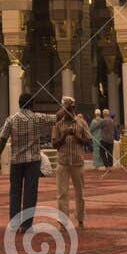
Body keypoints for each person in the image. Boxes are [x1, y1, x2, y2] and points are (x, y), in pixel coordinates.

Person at [0, 91, 53, 235]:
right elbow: (57, 118)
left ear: (19, 104)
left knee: (15, 192)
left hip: (16, 161)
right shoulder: (38, 117)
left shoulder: (11, 119)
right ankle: (26, 225)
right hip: (33, 161)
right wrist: (68, 106)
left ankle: (14, 224)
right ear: (32, 104)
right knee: (30, 193)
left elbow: (2, 139)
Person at [51, 94, 90, 229]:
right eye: (65, 108)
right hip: (63, 163)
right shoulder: (58, 124)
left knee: (80, 194)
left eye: (70, 108)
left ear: (73, 108)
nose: (68, 111)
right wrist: (64, 135)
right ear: (62, 109)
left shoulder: (81, 123)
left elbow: (88, 141)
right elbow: (54, 144)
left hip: (78, 163)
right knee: (62, 194)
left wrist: (78, 137)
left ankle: (80, 220)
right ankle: (63, 222)